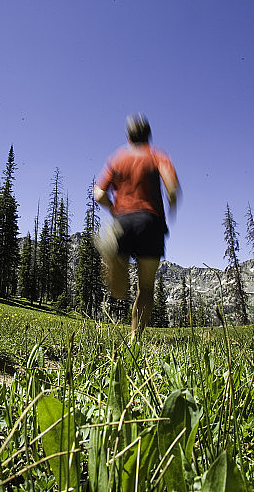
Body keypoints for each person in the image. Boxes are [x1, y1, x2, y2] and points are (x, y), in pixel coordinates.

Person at [93, 113, 180, 343]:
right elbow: (172, 188)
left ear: (128, 137)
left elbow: (98, 193)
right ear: (149, 136)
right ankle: (134, 339)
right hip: (151, 222)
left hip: (123, 221)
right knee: (146, 288)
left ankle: (115, 256)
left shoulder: (118, 158)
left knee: (119, 291)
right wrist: (171, 207)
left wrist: (113, 209)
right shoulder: (158, 156)